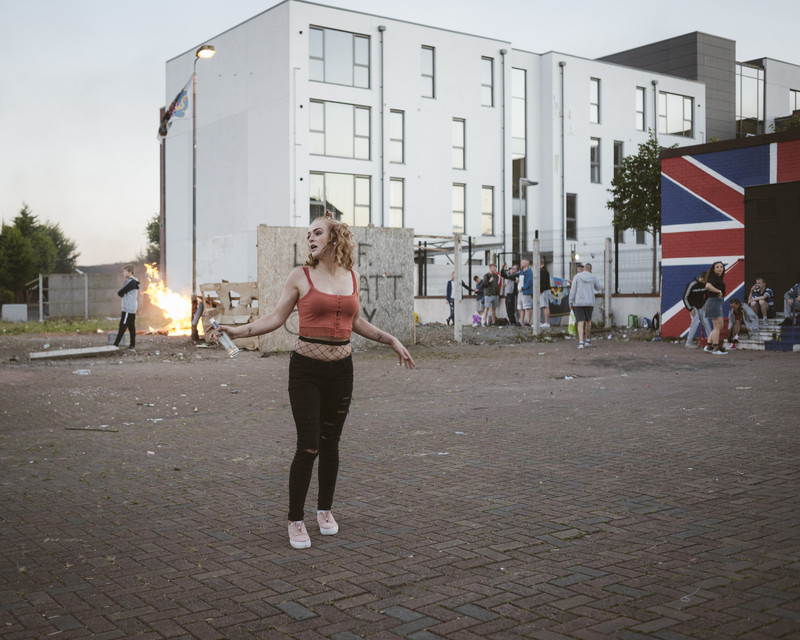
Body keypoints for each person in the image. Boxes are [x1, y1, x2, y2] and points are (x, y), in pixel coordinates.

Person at [214, 213, 415, 550]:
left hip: (342, 372)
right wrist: (236, 331)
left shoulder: (352, 276)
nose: (311, 238)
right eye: (309, 234)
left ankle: (324, 511)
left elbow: (356, 322)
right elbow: (275, 318)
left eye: (318, 232)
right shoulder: (301, 276)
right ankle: (295, 519)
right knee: (308, 446)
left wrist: (391, 340)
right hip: (306, 372)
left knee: (331, 445)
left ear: (334, 237)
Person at [568, 261, 602, 349]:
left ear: (584, 269)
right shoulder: (593, 277)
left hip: (578, 302)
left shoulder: (577, 277)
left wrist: (570, 302)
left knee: (580, 322)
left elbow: (573, 290)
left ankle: (581, 342)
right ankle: (587, 340)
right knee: (588, 321)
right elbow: (598, 288)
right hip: (589, 302)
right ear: (590, 270)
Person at [703, 261, 727, 354]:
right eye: (717, 267)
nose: (720, 268)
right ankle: (716, 348)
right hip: (713, 302)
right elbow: (707, 286)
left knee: (720, 326)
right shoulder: (713, 277)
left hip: (717, 303)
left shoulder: (719, 278)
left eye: (721, 267)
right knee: (717, 327)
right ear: (713, 269)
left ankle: (709, 346)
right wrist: (718, 291)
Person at [113, 264, 139, 351]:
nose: (123, 273)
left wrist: (122, 293)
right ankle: (132, 346)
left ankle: (115, 344)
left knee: (123, 326)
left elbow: (120, 292)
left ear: (130, 272)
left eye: (125, 271)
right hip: (132, 308)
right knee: (131, 327)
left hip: (128, 308)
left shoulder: (131, 282)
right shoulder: (133, 281)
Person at [681, 272, 711, 348]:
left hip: (700, 306)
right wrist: (690, 309)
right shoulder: (691, 284)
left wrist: (705, 303)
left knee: (706, 322)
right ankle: (688, 343)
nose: (706, 282)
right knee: (695, 322)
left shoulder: (705, 284)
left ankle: (711, 342)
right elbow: (685, 297)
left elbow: (708, 295)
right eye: (706, 280)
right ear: (702, 278)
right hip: (693, 306)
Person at [518, 259, 534, 326]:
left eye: (523, 262)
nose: (521, 263)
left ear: (526, 264)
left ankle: (528, 321)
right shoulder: (521, 271)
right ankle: (521, 321)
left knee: (527, 307)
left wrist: (523, 288)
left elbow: (529, 282)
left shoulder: (529, 272)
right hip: (520, 292)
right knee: (521, 308)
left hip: (526, 292)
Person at [539, 258, 551, 328]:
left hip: (544, 291)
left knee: (545, 306)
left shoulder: (544, 272)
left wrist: (540, 290)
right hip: (542, 291)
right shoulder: (541, 271)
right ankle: (539, 321)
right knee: (540, 307)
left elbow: (543, 282)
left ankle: (547, 322)